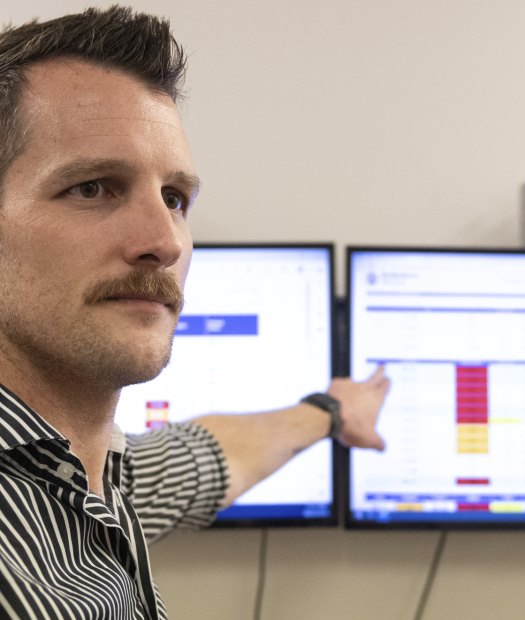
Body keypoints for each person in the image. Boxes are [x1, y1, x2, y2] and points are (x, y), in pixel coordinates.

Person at [0, 6, 390, 618]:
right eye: (93, 187)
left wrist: (331, 412)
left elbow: (210, 456)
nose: (167, 240)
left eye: (175, 198)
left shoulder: (90, 471)